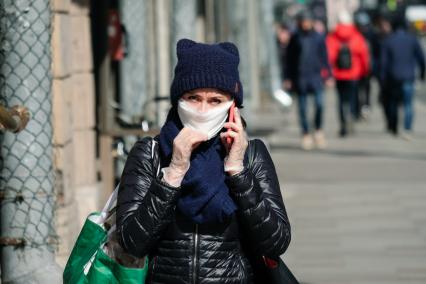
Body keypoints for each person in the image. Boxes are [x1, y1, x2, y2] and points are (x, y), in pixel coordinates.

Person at [116, 39, 291, 284]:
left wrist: (237, 172)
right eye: (193, 97)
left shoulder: (252, 155)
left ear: (233, 107)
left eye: (215, 101)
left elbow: (276, 241)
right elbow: (132, 242)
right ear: (178, 100)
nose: (201, 109)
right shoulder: (150, 153)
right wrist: (174, 173)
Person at [285, 10, 332, 150]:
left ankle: (318, 131)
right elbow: (289, 60)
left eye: (308, 21)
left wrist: (329, 75)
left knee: (319, 104)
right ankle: (305, 134)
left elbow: (324, 57)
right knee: (303, 108)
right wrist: (287, 77)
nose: (305, 24)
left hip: (316, 77)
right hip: (300, 78)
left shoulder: (318, 37)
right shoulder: (295, 38)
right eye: (303, 21)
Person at [379, 17, 425, 139]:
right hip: (408, 76)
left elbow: (383, 63)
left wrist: (382, 79)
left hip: (393, 77)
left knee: (393, 103)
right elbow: (421, 58)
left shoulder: (388, 41)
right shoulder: (412, 40)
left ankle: (394, 127)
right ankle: (407, 129)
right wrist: (422, 74)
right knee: (408, 104)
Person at [326, 10, 370, 137]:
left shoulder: (332, 37)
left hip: (338, 74)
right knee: (351, 99)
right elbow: (363, 55)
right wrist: (364, 71)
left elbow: (329, 57)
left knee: (340, 100)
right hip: (353, 74)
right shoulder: (356, 36)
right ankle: (351, 117)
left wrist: (328, 73)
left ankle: (342, 124)